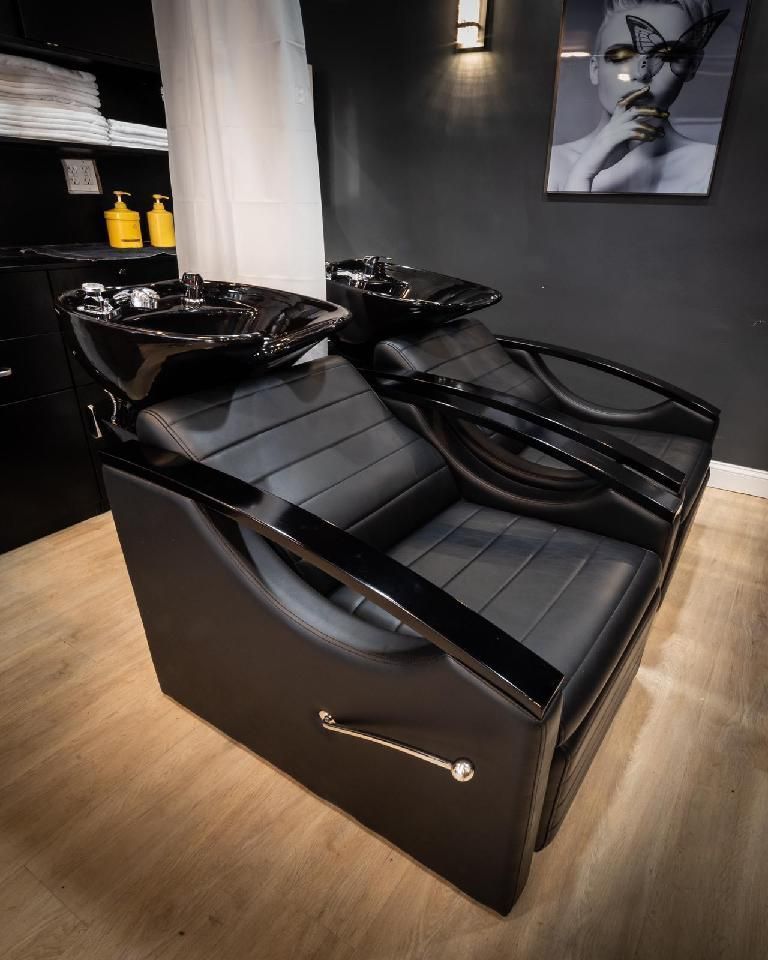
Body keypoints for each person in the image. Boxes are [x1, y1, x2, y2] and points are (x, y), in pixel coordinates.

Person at [547, 0, 730, 194]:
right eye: (621, 56)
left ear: (691, 67)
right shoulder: (554, 164)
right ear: (594, 69)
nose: (642, 74)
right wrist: (582, 174)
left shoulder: (710, 167)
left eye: (666, 57)